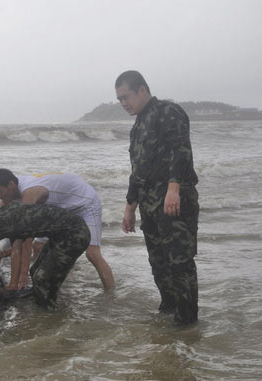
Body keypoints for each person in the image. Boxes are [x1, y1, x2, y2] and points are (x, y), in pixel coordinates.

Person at [115, 70, 199, 325]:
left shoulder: (167, 112)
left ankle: (187, 323)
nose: (124, 103)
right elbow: (137, 171)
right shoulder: (137, 127)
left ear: (142, 90)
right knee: (158, 263)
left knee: (179, 263)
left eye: (126, 96)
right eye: (119, 100)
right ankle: (168, 311)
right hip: (149, 206)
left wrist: (173, 188)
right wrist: (130, 208)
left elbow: (180, 150)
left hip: (174, 201)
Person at [0, 170, 115, 290]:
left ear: (11, 184)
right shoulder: (12, 191)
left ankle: (111, 293)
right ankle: (62, 276)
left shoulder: (29, 195)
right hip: (60, 209)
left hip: (84, 203)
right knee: (39, 247)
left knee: (92, 253)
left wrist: (20, 280)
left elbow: (25, 240)